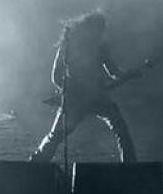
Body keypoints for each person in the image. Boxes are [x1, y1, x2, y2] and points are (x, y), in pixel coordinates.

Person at [29, 11, 137, 163]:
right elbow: (57, 75)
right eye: (100, 28)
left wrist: (129, 74)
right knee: (120, 131)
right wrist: (69, 91)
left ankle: (36, 163)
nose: (101, 32)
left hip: (93, 99)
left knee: (56, 136)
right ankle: (36, 164)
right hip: (81, 100)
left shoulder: (97, 46)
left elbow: (113, 72)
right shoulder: (71, 44)